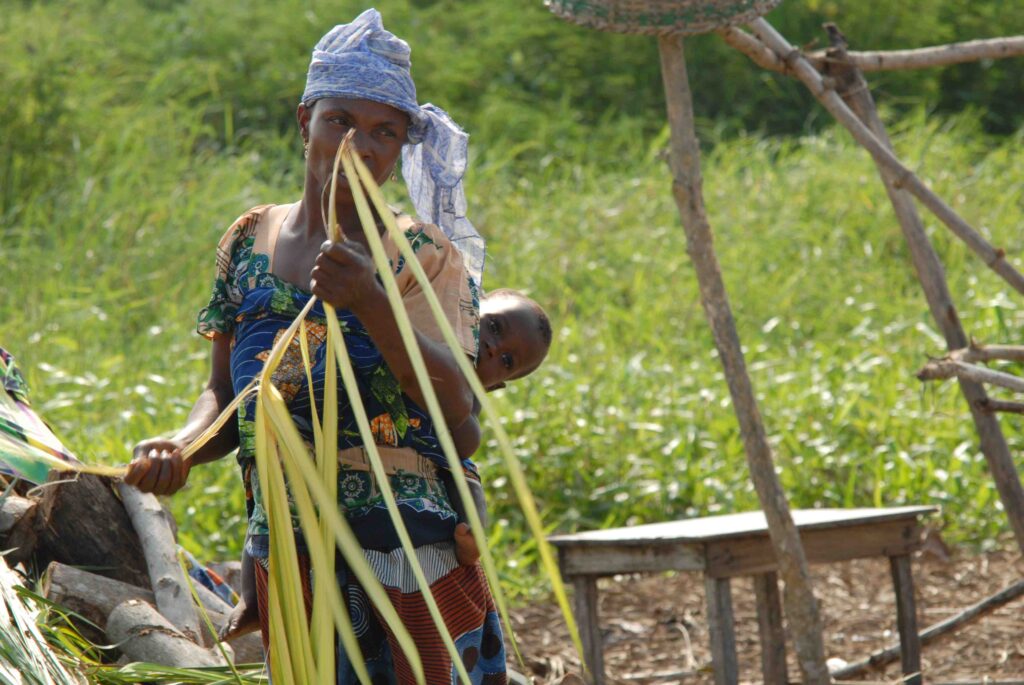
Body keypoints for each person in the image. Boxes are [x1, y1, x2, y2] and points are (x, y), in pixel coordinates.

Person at [123, 9, 518, 683]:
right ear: (305, 121)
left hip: (406, 556)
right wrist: (181, 444)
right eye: (340, 120)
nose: (358, 146)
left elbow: (461, 414)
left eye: (383, 132)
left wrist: (370, 299)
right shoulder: (247, 240)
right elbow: (225, 392)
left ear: (398, 152)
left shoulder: (423, 254)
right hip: (289, 550)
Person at [218, 289, 553, 641]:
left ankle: (474, 539)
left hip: (410, 481)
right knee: (268, 503)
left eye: (506, 361)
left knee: (466, 481)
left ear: (496, 387)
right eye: (495, 327)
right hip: (320, 450)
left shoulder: (463, 403)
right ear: (465, 305)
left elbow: (459, 458)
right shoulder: (408, 337)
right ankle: (255, 600)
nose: (491, 349)